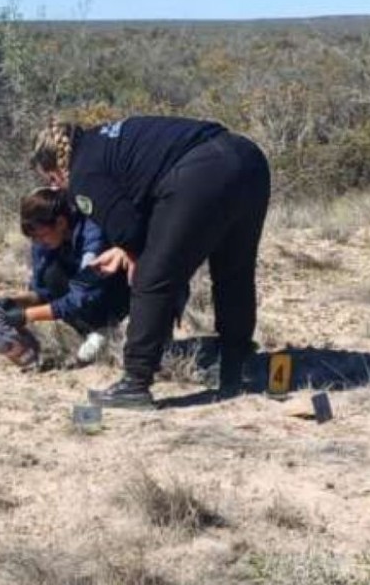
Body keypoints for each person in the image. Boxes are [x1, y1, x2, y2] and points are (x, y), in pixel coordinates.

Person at [30, 116, 270, 409]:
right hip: (248, 159)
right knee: (234, 272)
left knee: (152, 276)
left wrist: (130, 250)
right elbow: (142, 200)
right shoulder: (104, 143)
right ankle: (235, 368)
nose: (57, 189)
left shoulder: (82, 173)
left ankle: (135, 382)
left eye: (51, 181)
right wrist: (125, 247)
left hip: (201, 172)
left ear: (57, 170)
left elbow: (129, 230)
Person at [0, 187, 129, 368]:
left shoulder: (92, 236)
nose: (38, 243)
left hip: (117, 298)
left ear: (60, 222)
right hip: (84, 300)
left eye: (41, 235)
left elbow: (83, 295)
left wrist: (27, 315)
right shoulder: (43, 242)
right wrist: (11, 303)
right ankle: (92, 332)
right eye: (33, 238)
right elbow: (41, 292)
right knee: (51, 274)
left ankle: (111, 329)